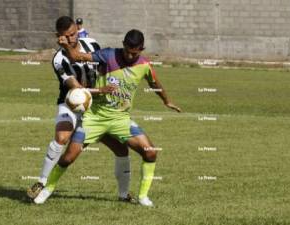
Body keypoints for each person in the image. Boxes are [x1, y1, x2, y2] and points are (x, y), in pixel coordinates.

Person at [34, 29, 182, 207]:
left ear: (141, 49)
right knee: (68, 158)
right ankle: (47, 189)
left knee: (150, 152)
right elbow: (77, 56)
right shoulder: (108, 55)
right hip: (94, 117)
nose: (128, 55)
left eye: (133, 52)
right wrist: (66, 45)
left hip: (120, 120)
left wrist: (167, 101)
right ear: (123, 44)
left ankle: (142, 197)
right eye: (126, 50)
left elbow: (155, 84)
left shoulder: (145, 65)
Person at [27, 16, 135, 203]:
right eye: (66, 37)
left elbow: (104, 67)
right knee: (62, 137)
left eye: (73, 34)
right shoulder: (58, 60)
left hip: (96, 107)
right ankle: (42, 182)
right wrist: (99, 89)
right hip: (70, 104)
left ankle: (124, 195)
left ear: (77, 29)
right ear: (58, 37)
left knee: (120, 148)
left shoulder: (92, 44)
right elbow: (76, 89)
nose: (71, 39)